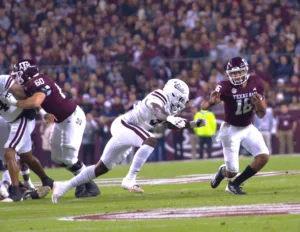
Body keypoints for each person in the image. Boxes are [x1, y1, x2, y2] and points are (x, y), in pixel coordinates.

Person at [51, 79, 206, 203]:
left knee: (100, 168)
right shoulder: (160, 96)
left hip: (128, 132)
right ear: (173, 93)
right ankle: (129, 179)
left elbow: (169, 123)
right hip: (125, 125)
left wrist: (193, 124)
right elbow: (156, 108)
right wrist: (170, 117)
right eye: (180, 99)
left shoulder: (168, 111)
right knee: (150, 140)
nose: (181, 103)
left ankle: (64, 186)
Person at [7, 60, 100, 198]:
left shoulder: (38, 81)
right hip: (60, 121)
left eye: (17, 75)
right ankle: (81, 182)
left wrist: (14, 102)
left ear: (25, 74)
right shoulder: (29, 85)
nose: (15, 78)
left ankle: (91, 186)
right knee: (57, 157)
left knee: (69, 157)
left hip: (73, 117)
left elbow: (35, 101)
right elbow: (30, 99)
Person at [202, 57, 269, 195]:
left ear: (245, 71)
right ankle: (222, 171)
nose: (236, 76)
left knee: (263, 156)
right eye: (233, 73)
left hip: (248, 127)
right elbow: (203, 107)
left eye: (239, 73)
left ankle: (234, 185)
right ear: (229, 74)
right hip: (230, 130)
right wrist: (210, 102)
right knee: (231, 171)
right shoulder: (224, 86)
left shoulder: (256, 82)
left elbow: (261, 115)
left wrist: (261, 105)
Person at [0, 73, 54, 202]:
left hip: (23, 117)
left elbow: (27, 96)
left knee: (9, 151)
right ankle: (47, 180)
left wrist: (42, 113)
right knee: (26, 157)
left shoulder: (3, 80)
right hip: (11, 121)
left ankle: (15, 192)